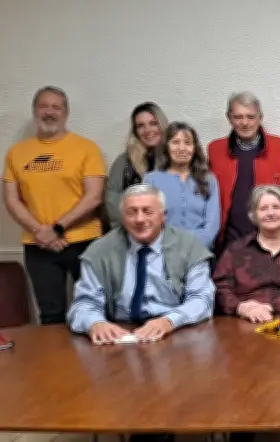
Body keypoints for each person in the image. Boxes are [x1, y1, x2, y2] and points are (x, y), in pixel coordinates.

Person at [3, 86, 106, 325]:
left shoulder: (86, 148)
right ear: (34, 111)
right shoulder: (16, 153)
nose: (49, 112)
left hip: (84, 241)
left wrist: (57, 229)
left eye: (56, 107)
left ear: (65, 113)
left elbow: (94, 197)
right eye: (43, 106)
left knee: (95, 310)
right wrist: (42, 232)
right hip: (37, 244)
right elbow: (11, 199)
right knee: (50, 315)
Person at [67, 183, 214, 343]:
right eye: (131, 212)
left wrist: (169, 321)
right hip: (119, 333)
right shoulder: (99, 252)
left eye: (147, 211)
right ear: (122, 217)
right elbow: (84, 302)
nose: (139, 219)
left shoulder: (190, 246)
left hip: (175, 331)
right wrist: (95, 323)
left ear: (163, 215)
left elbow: (202, 298)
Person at [208, 91, 280, 253]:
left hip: (273, 243)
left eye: (251, 117)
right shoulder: (215, 150)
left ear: (260, 117)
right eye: (238, 117)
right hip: (229, 243)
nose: (245, 123)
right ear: (229, 118)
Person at [215, 185, 280, 321]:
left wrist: (269, 307)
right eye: (263, 208)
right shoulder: (236, 250)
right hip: (245, 320)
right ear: (254, 215)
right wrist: (240, 307)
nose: (270, 213)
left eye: (276, 207)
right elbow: (221, 288)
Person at [144, 122, 220, 248]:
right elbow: (149, 222)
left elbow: (212, 226)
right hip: (163, 252)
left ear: (194, 148)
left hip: (199, 252)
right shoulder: (151, 180)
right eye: (175, 142)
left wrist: (191, 247)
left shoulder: (208, 179)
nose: (181, 148)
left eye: (187, 143)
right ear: (166, 147)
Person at [106, 102, 169, 228]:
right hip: (132, 232)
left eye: (153, 123)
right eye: (141, 126)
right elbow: (111, 201)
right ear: (135, 131)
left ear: (162, 125)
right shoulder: (123, 162)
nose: (148, 130)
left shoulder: (176, 158)